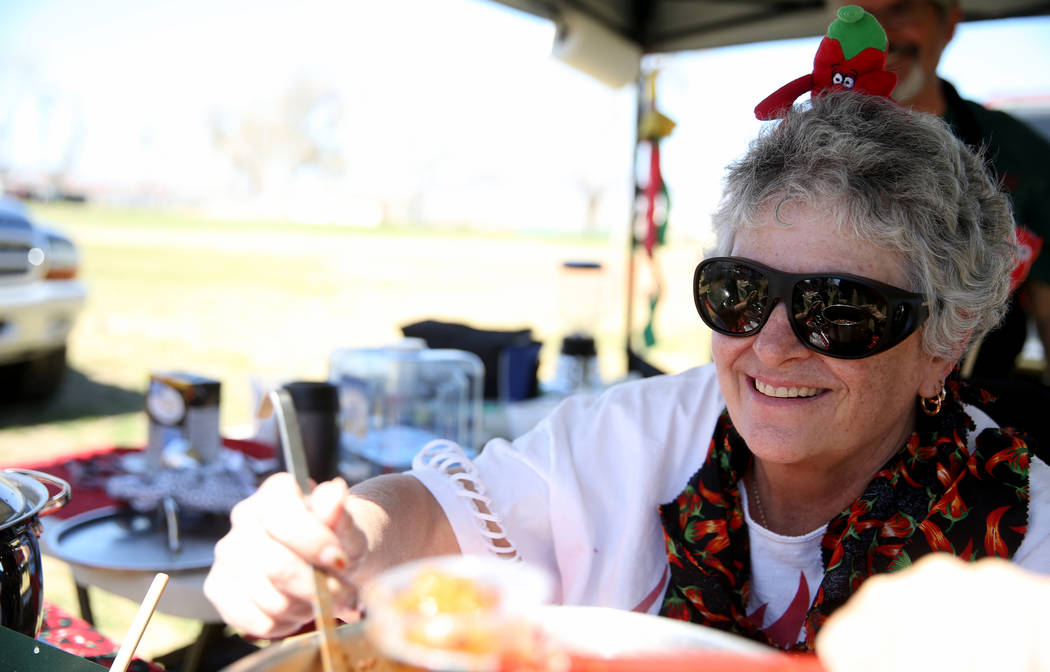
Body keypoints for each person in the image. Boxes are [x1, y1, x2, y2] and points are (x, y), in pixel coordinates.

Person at [204, 88, 1050, 660]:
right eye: (741, 292)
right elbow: (433, 517)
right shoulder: (636, 432)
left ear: (944, 338)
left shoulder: (1026, 542)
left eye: (842, 309)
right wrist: (340, 534)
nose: (774, 344)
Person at [842, 0, 1050, 384]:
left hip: (975, 416)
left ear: (949, 22)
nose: (879, 35)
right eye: (861, 15)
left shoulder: (1021, 153)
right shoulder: (805, 146)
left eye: (900, 9)